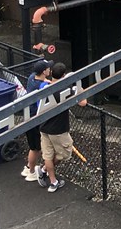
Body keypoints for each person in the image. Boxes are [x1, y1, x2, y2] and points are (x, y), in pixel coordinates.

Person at [35, 61, 87, 193]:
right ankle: (46, 172)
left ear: (51, 73)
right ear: (64, 75)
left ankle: (52, 180)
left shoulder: (44, 86)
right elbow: (83, 102)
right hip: (58, 129)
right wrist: (78, 85)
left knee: (48, 155)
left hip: (44, 126)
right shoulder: (67, 90)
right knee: (64, 153)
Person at [20, 59, 53, 182]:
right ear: (44, 71)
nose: (50, 69)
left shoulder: (32, 78)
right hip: (35, 118)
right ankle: (32, 172)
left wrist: (46, 81)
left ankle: (29, 167)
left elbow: (42, 81)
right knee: (36, 148)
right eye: (48, 68)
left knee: (33, 146)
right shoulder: (41, 86)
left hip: (27, 115)